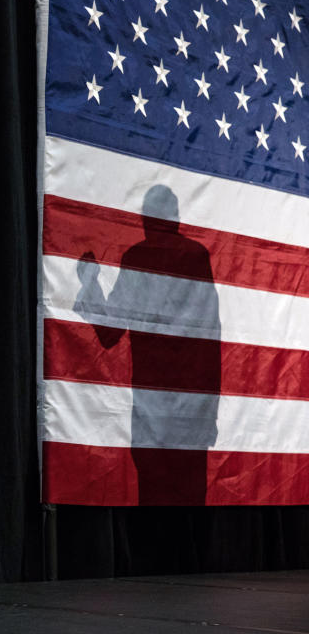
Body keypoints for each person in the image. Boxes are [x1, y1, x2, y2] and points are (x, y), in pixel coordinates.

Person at [73, 185, 220, 504]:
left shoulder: (138, 257)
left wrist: (89, 283)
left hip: (152, 414)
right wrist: (210, 415)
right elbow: (212, 339)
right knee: (192, 512)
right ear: (177, 218)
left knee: (153, 516)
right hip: (192, 414)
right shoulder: (196, 257)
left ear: (145, 219)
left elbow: (110, 334)